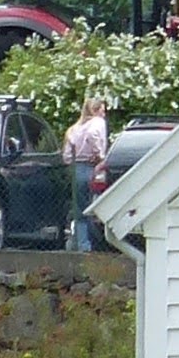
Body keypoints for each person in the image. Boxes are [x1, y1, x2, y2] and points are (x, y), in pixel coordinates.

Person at [66, 94, 111, 249]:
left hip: (76, 167)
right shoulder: (97, 122)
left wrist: (70, 162)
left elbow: (66, 153)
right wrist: (100, 156)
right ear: (96, 111)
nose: (104, 114)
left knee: (79, 209)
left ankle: (81, 243)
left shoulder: (75, 128)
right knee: (93, 207)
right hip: (91, 167)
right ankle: (96, 244)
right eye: (103, 111)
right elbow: (92, 136)